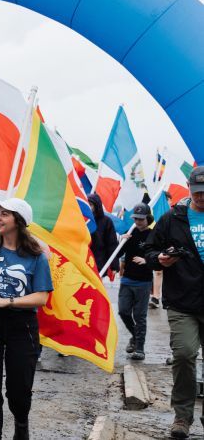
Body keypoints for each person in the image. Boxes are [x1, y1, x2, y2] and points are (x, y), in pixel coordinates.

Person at [0, 198, 53, 440]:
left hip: (22, 325)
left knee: (19, 388)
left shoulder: (36, 256)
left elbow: (42, 297)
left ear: (19, 221)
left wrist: (8, 301)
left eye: (4, 214)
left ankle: (21, 424)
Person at [144, 166, 204, 439]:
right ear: (190, 189)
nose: (202, 197)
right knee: (183, 355)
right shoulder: (172, 218)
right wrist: (160, 259)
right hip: (182, 302)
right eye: (197, 192)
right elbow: (149, 249)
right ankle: (182, 416)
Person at [116, 203, 155, 361]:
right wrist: (122, 241)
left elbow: (158, 255)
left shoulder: (153, 234)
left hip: (144, 282)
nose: (138, 222)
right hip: (127, 279)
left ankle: (140, 348)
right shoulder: (130, 232)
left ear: (148, 218)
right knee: (123, 311)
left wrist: (146, 260)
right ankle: (135, 335)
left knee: (140, 316)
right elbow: (117, 254)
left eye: (141, 219)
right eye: (135, 219)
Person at [88, 193, 119, 280]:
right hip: (82, 262)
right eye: (87, 204)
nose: (88, 207)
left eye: (90, 204)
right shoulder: (81, 219)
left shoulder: (106, 221)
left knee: (96, 291)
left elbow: (112, 244)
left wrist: (114, 266)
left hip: (99, 263)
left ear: (96, 206)